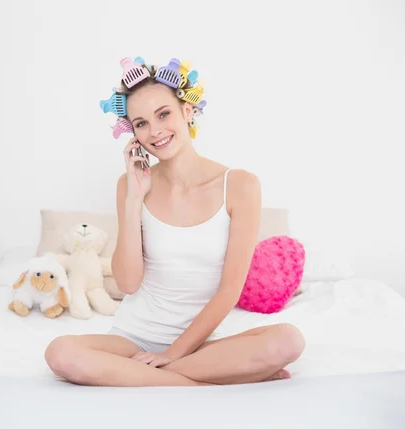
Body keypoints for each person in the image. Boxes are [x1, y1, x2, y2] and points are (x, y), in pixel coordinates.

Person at [44, 57, 305, 387]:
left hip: (202, 344)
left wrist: (175, 353)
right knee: (60, 352)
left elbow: (229, 291)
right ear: (132, 133)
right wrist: (134, 197)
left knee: (288, 341)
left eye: (163, 114)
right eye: (140, 123)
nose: (155, 132)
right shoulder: (130, 185)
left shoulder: (240, 186)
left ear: (188, 110)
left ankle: (155, 377)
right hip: (134, 339)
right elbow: (127, 283)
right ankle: (203, 384)